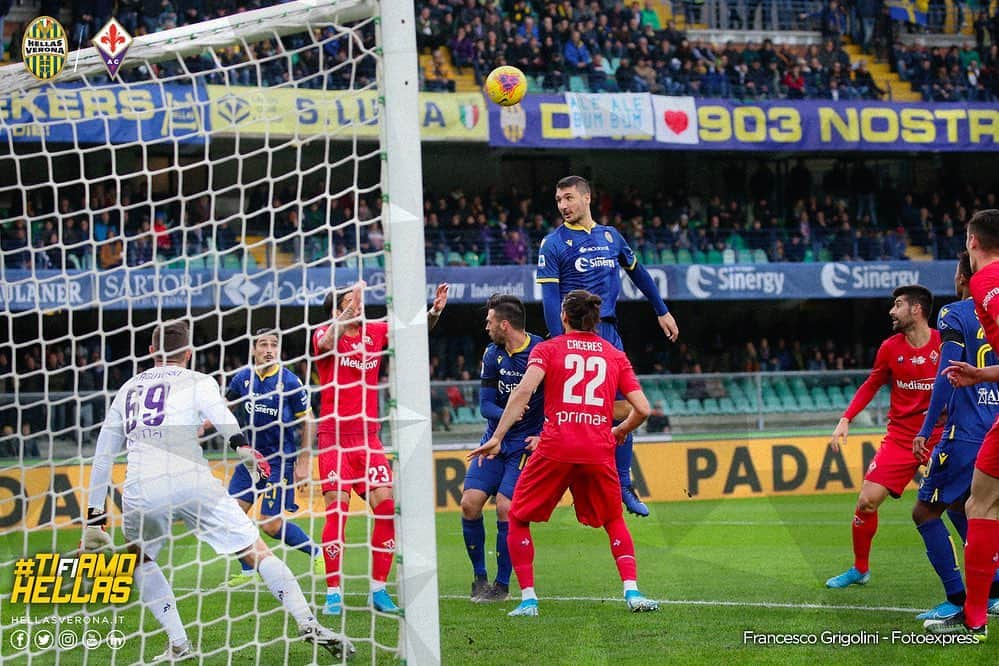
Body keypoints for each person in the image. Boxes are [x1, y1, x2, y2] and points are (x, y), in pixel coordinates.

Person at [84, 320, 351, 661]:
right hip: (192, 480)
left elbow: (103, 454)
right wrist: (242, 447)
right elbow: (221, 415)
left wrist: (94, 518)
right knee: (256, 549)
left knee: (140, 558)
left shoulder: (128, 388)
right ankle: (307, 621)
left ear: (151, 352)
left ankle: (179, 643)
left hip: (141, 486)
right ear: (189, 353)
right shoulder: (199, 380)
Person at [469, 290, 660, 617]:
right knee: (614, 520)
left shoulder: (547, 349)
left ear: (564, 317)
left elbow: (523, 392)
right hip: (597, 449)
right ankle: (632, 591)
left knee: (517, 516)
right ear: (595, 319)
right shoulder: (614, 354)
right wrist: (620, 431)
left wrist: (497, 436)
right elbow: (642, 408)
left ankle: (528, 599)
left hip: (554, 446)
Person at [536, 175, 679, 517]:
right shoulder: (553, 244)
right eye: (558, 200)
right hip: (574, 338)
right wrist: (561, 345)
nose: (563, 205)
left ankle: (623, 482)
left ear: (587, 198)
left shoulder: (610, 237)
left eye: (568, 198)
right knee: (570, 413)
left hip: (609, 335)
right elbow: (549, 298)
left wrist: (662, 310)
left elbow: (639, 272)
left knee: (624, 411)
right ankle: (564, 482)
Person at [312, 280, 449, 616]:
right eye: (348, 302)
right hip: (334, 440)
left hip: (368, 439)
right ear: (336, 310)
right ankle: (333, 593)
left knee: (387, 508)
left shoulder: (376, 330)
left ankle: (378, 589)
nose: (358, 306)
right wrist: (347, 309)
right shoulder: (322, 335)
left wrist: (433, 312)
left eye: (358, 301)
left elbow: (415, 331)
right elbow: (330, 337)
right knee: (337, 515)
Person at [825, 285, 942, 588]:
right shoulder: (890, 348)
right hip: (901, 438)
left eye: (898, 304)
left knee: (967, 505)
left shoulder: (946, 344)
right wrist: (845, 418)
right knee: (866, 502)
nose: (892, 310)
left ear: (917, 310)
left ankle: (991, 583)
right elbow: (872, 383)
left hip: (941, 435)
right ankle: (860, 569)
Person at [912, 253, 999, 621]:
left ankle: (959, 598)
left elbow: (947, 375)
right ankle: (992, 593)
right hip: (993, 424)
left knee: (925, 511)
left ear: (964, 275)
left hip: (964, 432)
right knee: (967, 505)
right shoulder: (993, 314)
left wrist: (925, 430)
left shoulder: (955, 312)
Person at [222, 328, 324, 587]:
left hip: (280, 460)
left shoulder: (290, 381)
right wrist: (203, 424)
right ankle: (247, 571)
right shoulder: (242, 379)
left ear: (278, 350)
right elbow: (224, 406)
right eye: (263, 344)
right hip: (250, 460)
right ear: (253, 350)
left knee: (270, 525)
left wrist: (304, 460)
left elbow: (309, 422)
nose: (268, 349)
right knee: (233, 516)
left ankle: (317, 552)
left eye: (273, 345)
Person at [461, 294, 545, 603]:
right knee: (469, 504)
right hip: (494, 439)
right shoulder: (491, 354)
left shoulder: (540, 351)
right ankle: (480, 577)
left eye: (490, 321)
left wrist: (544, 433)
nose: (486, 327)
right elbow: (485, 406)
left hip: (524, 445)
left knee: (506, 508)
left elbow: (557, 398)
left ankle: (502, 584)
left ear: (504, 324)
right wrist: (507, 413)